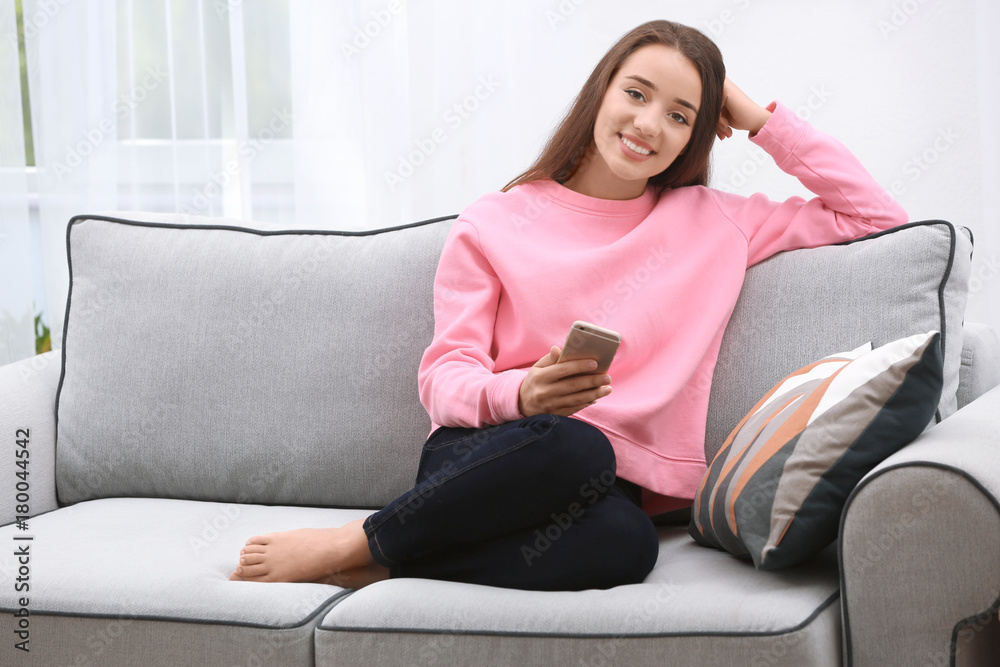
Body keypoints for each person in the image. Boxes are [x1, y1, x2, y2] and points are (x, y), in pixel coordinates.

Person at [229, 19, 906, 590]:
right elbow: (443, 379)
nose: (649, 124)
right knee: (575, 443)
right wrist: (522, 395)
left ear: (700, 134)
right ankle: (362, 537)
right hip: (487, 458)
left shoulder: (714, 221)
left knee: (629, 545)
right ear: (601, 92)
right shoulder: (494, 221)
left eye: (680, 115)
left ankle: (394, 558)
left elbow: (875, 216)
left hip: (602, 486)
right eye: (636, 94)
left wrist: (759, 119)